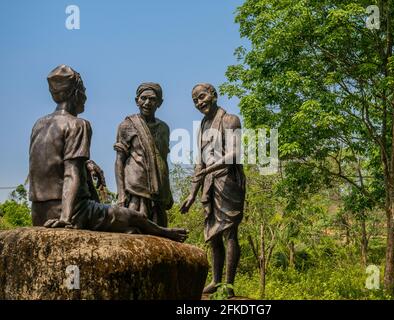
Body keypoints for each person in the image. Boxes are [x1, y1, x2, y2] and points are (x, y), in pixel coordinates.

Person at [28, 64, 187, 242]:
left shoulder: (39, 125)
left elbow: (48, 163)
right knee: (134, 218)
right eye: (84, 91)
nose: (86, 97)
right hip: (71, 210)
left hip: (39, 211)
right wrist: (65, 219)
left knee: (129, 228)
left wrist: (87, 163)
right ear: (76, 93)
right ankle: (165, 233)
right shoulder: (78, 124)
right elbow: (70, 173)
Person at [180, 83, 246, 297]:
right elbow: (200, 163)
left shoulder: (230, 120)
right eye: (195, 101)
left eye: (202, 97)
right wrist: (191, 194)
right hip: (210, 183)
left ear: (214, 95)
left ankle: (229, 284)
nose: (200, 103)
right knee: (213, 235)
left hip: (228, 181)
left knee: (229, 232)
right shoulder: (203, 125)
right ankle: (216, 281)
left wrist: (212, 167)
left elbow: (235, 153)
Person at [114, 83, 173, 227]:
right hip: (135, 187)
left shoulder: (164, 128)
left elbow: (163, 160)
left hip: (158, 191)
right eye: (143, 98)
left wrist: (168, 189)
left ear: (159, 103)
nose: (147, 103)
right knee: (134, 229)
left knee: (160, 231)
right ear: (137, 101)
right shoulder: (127, 125)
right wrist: (121, 193)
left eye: (152, 99)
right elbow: (119, 161)